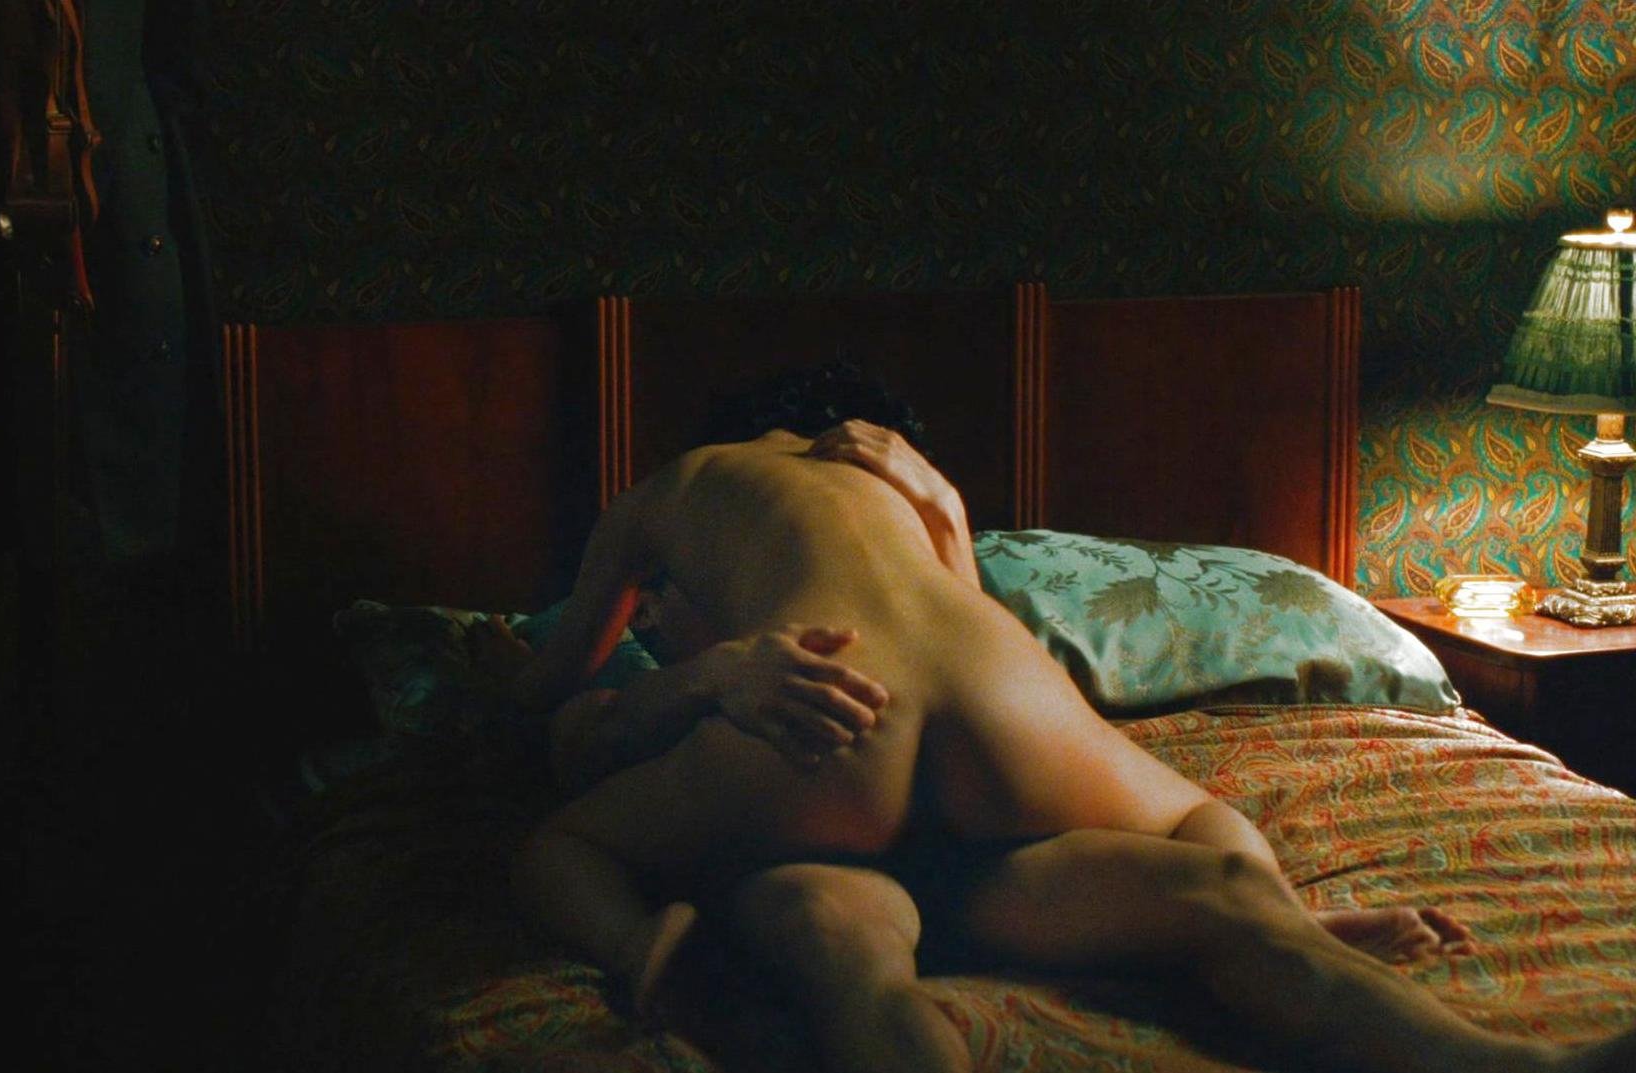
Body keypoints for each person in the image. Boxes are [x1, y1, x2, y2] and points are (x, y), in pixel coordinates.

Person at [484, 364, 1632, 1073]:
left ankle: (649, 958)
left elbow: (540, 693)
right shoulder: (904, 488)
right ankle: (1439, 1018)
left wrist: (679, 670)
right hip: (997, 707)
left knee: (636, 872)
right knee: (1212, 861)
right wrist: (946, 508)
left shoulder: (676, 485)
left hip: (823, 736)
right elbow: (966, 621)